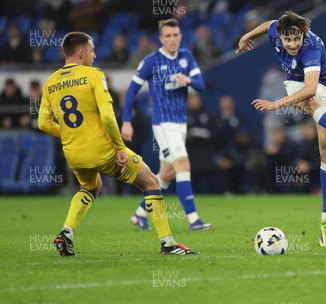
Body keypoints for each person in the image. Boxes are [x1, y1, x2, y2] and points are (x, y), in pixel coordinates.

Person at [38, 32, 197, 255]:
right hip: (102, 150)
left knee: (91, 187)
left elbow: (43, 123)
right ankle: (168, 244)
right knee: (150, 181)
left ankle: (66, 232)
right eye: (92, 50)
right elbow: (107, 116)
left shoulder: (50, 83)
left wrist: (69, 134)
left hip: (73, 153)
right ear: (82, 53)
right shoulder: (93, 75)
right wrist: (120, 148)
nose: (94, 55)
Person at [236, 10, 326, 246]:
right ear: (281, 36)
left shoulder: (311, 47)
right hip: (295, 82)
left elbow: (312, 87)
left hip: (325, 86)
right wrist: (247, 35)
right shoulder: (276, 31)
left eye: (296, 39)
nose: (292, 44)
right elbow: (270, 23)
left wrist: (276, 104)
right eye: (288, 39)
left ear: (303, 35)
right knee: (306, 101)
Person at [121, 18, 212, 231]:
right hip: (163, 123)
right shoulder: (152, 61)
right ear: (161, 39)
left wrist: (187, 80)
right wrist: (126, 121)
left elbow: (201, 85)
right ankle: (194, 219)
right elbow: (132, 90)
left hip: (181, 123)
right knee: (183, 164)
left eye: (175, 35)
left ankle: (139, 214)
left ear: (180, 36)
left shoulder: (186, 56)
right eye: (168, 36)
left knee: (167, 174)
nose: (172, 39)